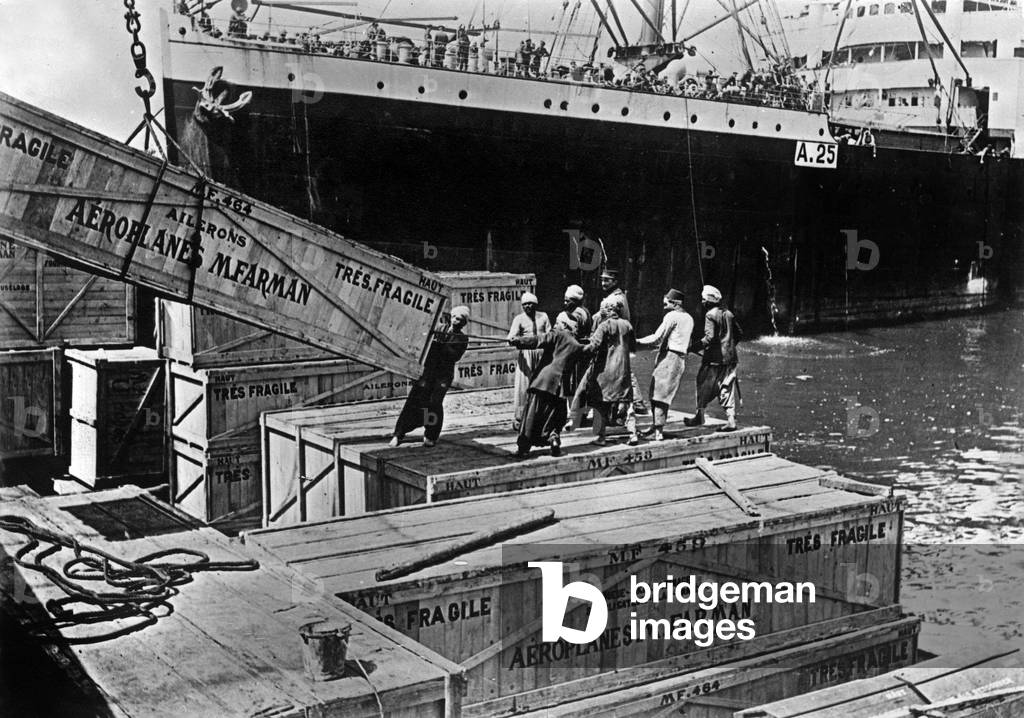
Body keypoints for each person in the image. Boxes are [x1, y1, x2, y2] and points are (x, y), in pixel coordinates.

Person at [390, 307, 470, 447]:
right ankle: (399, 434)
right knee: (415, 399)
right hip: (428, 371)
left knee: (434, 403)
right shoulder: (438, 328)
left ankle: (430, 435)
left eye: (460, 320)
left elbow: (454, 356)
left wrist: (440, 345)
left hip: (443, 375)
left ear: (464, 323)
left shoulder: (462, 339)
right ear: (450, 317)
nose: (456, 322)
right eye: (455, 318)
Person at [509, 316, 587, 458]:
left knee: (531, 415)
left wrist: (519, 341)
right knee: (556, 416)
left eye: (558, 323)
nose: (555, 325)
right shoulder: (577, 346)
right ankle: (554, 440)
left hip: (542, 381)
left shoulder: (558, 334)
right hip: (559, 387)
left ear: (564, 325)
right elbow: (591, 349)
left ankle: (523, 448)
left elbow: (538, 340)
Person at [636, 289, 694, 441]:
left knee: (660, 396)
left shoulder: (672, 316)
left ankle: (658, 432)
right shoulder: (689, 318)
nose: (663, 305)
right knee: (661, 394)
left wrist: (636, 341)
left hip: (670, 358)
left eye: (666, 302)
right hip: (679, 359)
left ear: (675, 303)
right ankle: (656, 427)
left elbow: (658, 338)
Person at [685, 285, 743, 432]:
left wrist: (692, 348)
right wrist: (729, 347)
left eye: (704, 300)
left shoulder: (710, 315)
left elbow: (709, 338)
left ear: (709, 301)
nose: (702, 302)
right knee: (727, 387)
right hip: (730, 359)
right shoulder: (729, 314)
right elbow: (739, 333)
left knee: (702, 384)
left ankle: (700, 415)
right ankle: (731, 420)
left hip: (713, 360)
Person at [585, 296, 638, 446]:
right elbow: (633, 347)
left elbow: (593, 345)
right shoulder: (627, 325)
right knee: (627, 403)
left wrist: (577, 349)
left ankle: (602, 437)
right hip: (623, 370)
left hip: (606, 371)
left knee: (601, 403)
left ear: (608, 310)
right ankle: (633, 434)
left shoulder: (604, 325)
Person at [598, 269, 649, 415]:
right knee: (624, 370)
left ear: (615, 282)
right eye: (602, 280)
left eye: (607, 280)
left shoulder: (615, 299)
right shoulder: (618, 295)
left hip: (616, 339)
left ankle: (637, 402)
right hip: (619, 338)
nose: (603, 283)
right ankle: (632, 403)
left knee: (624, 371)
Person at [507, 292, 551, 431]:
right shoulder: (518, 319)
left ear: (535, 304)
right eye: (525, 304)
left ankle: (539, 417)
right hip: (526, 355)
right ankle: (520, 418)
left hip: (541, 353)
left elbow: (550, 334)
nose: (528, 306)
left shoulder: (543, 316)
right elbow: (511, 337)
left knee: (540, 385)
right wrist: (515, 340)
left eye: (530, 303)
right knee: (524, 385)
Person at [557, 285, 593, 432]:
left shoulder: (575, 314)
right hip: (584, 351)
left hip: (575, 352)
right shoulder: (586, 311)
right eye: (565, 300)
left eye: (568, 301)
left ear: (576, 300)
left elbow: (571, 333)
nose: (565, 304)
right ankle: (581, 415)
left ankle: (573, 416)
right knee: (581, 383)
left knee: (572, 383)